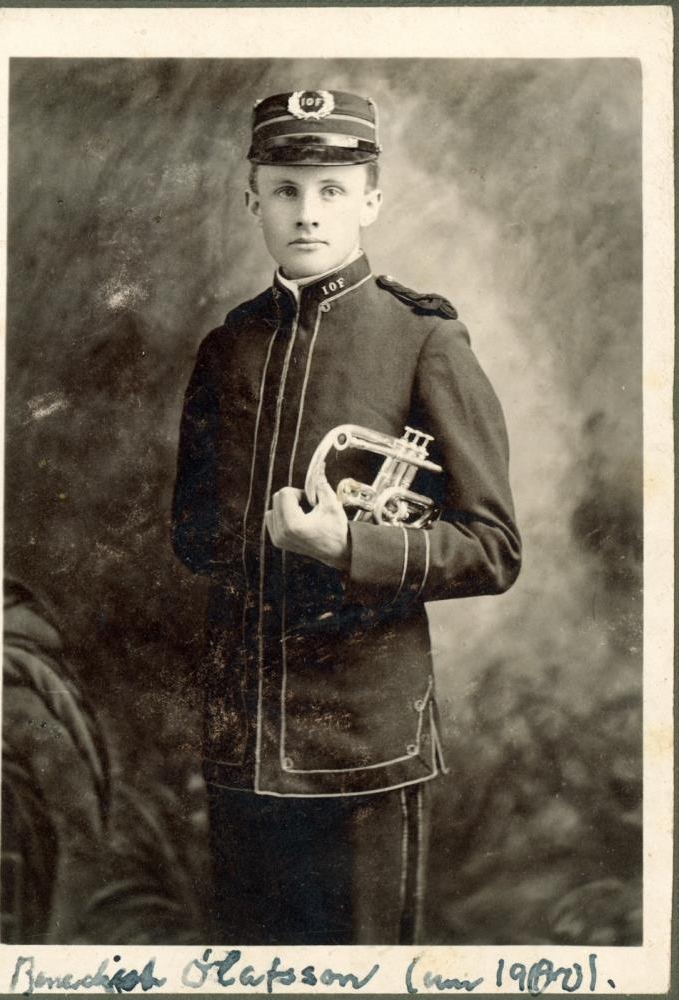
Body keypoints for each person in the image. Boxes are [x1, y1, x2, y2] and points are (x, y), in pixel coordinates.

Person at [171, 89, 521, 945]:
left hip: (366, 747)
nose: (308, 212)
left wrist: (348, 544)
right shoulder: (227, 348)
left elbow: (494, 548)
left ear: (372, 199)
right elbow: (191, 537)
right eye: (285, 189)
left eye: (332, 190)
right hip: (243, 740)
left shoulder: (423, 338)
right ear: (253, 200)